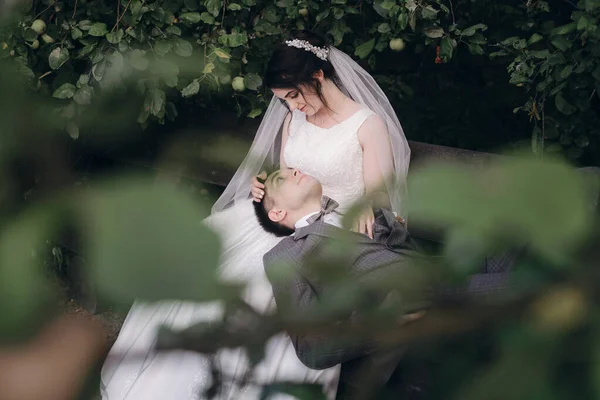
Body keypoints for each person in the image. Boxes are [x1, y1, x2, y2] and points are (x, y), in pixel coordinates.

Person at [100, 30, 411, 399]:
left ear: (318, 77)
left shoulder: (366, 124)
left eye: (294, 95)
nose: (292, 106)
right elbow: (283, 174)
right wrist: (266, 187)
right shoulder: (292, 118)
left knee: (255, 280)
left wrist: (367, 206)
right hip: (278, 217)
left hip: (325, 229)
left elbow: (380, 193)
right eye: (283, 100)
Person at [253, 168, 516, 399]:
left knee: (512, 223)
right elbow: (311, 348)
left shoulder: (356, 213)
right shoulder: (284, 256)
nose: (294, 170)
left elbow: (405, 254)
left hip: (440, 275)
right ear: (277, 212)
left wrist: (385, 219)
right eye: (282, 177)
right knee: (534, 290)